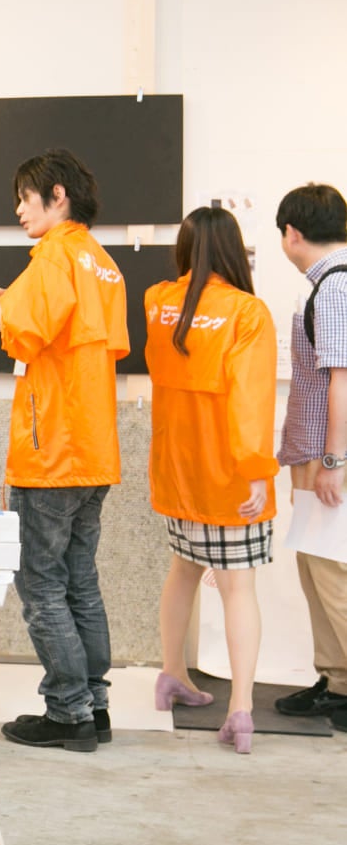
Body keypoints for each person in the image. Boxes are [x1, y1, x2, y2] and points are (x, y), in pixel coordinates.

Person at [0, 148, 127, 752]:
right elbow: (72, 333)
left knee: (41, 585)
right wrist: (2, 297)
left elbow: (23, 335)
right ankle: (94, 707)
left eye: (24, 197)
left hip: (51, 453)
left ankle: (68, 713)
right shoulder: (101, 261)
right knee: (80, 583)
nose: (18, 209)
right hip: (93, 449)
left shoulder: (53, 255)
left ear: (58, 195)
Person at [144, 207, 277, 754]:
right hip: (227, 474)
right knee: (238, 587)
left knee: (183, 569)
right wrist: (257, 471)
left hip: (177, 469)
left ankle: (171, 672)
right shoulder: (247, 312)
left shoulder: (158, 303)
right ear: (233, 250)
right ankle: (240, 709)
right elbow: (250, 399)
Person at [272, 183, 347, 731]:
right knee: (315, 566)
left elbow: (344, 378)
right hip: (318, 452)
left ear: (292, 233)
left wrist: (334, 461)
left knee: (331, 571)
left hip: (329, 455)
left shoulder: (336, 287)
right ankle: (337, 680)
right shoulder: (327, 284)